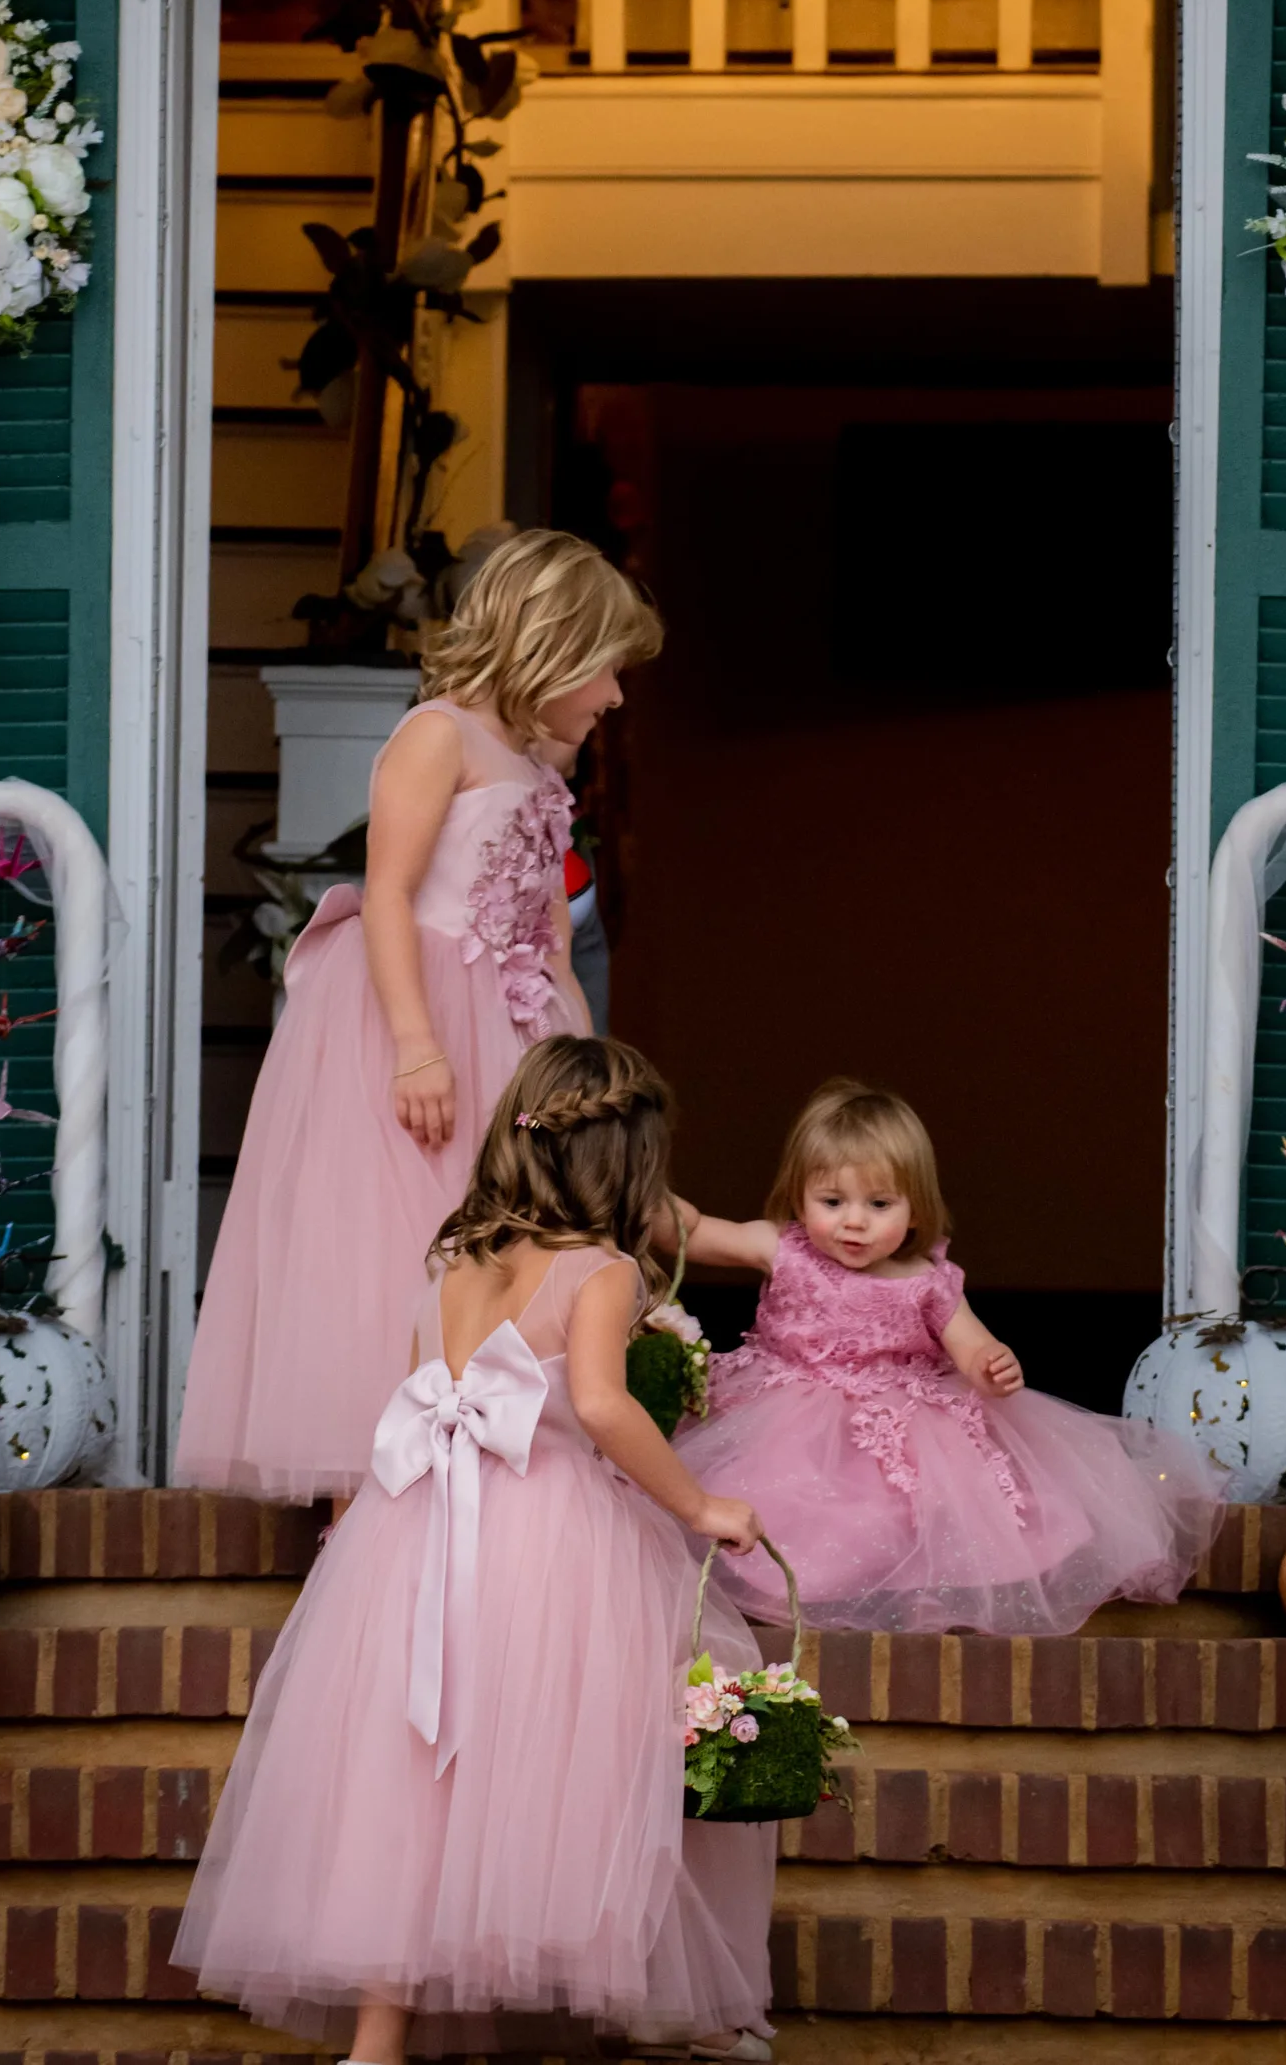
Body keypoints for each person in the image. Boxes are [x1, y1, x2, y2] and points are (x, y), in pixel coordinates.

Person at [171, 1036, 778, 2065]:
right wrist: (699, 1501)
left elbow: (421, 1391)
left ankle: (377, 2039)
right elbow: (596, 1402)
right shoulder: (603, 1270)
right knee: (606, 1751)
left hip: (417, 1532)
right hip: (548, 1536)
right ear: (628, 1163)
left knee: (407, 1778)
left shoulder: (455, 1258)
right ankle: (659, 1999)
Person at [175, 531, 662, 1504]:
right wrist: (413, 1046)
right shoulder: (436, 734)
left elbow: (548, 931)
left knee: (507, 1229)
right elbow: (388, 892)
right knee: (401, 1229)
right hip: (421, 1014)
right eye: (607, 666)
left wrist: (569, 1053)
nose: (613, 694)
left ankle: (484, 1444)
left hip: (513, 1027)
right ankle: (381, 1473)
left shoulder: (534, 760)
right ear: (553, 643)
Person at [667, 1078, 1228, 1636]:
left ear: (915, 1211)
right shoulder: (781, 1247)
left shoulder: (927, 1282)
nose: (854, 1221)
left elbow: (970, 1344)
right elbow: (693, 1233)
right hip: (787, 1412)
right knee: (780, 1495)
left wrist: (990, 1363)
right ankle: (784, 1587)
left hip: (896, 1425)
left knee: (898, 1513)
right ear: (798, 1198)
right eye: (832, 1202)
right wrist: (635, 1196)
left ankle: (897, 1600)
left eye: (879, 1204)